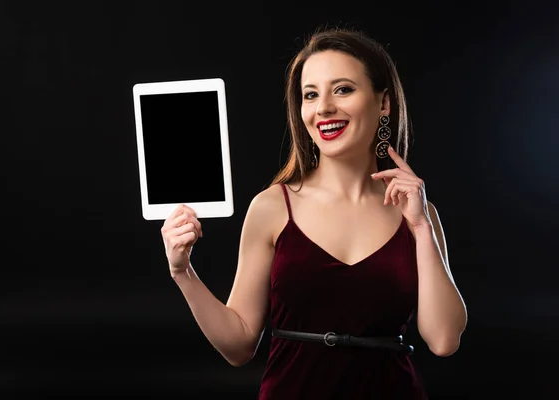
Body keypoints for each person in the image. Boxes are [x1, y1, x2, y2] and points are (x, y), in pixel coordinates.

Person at [160, 26, 467, 399]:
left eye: (343, 89)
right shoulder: (272, 207)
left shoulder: (418, 213)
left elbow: (444, 339)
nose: (323, 107)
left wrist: (420, 225)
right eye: (310, 95)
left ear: (383, 102)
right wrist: (182, 271)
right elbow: (239, 345)